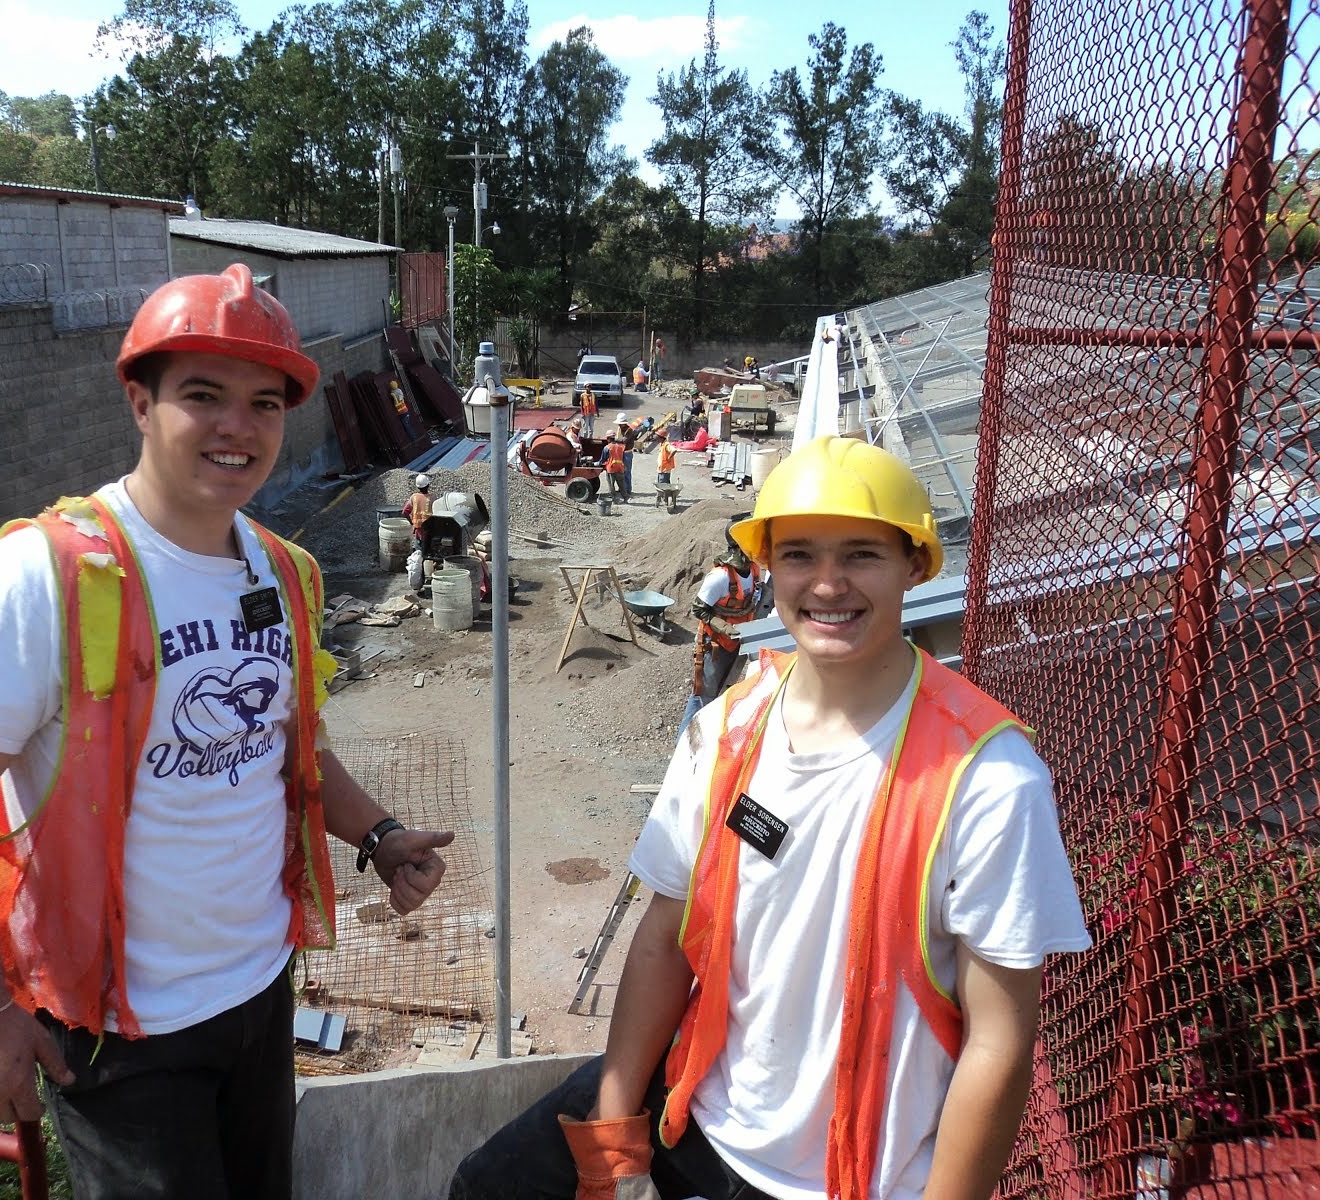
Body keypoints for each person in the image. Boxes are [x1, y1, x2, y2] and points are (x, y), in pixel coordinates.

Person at [0, 264, 454, 1200]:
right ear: (139, 402)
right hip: (120, 1036)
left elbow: (291, 743)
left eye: (264, 403)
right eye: (204, 395)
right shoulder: (52, 573)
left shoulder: (281, 570)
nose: (239, 426)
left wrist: (380, 835)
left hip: (259, 993)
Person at [447, 436, 1091, 1200]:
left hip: (846, 1175)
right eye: (798, 557)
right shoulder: (730, 729)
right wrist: (614, 1123)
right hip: (700, 1110)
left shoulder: (987, 779)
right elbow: (667, 935)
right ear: (766, 569)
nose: (827, 584)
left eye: (861, 555)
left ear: (916, 565)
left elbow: (1001, 1036)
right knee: (487, 1186)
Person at [674, 529, 769, 739]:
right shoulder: (720, 577)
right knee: (703, 696)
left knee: (727, 692)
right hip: (715, 645)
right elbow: (698, 609)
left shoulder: (753, 570)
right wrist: (722, 626)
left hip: (740, 640)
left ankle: (710, 738)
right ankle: (684, 742)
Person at [403, 472, 434, 550]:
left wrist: (412, 523)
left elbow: (405, 512)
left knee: (419, 554)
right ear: (428, 485)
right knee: (430, 552)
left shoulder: (414, 497)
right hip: (430, 531)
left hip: (418, 531)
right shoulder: (433, 498)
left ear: (417, 487)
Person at [599, 434, 628, 503]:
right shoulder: (621, 447)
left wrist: (597, 464)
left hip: (611, 468)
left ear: (608, 439)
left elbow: (603, 459)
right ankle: (625, 497)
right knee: (622, 484)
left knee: (611, 484)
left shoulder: (607, 447)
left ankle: (614, 498)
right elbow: (624, 458)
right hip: (620, 468)